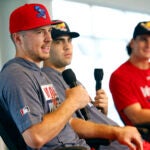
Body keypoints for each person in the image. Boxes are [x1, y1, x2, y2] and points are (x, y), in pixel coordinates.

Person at [0, 3, 143, 150]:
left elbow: (70, 122)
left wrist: (116, 132)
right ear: (18, 39)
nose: (48, 38)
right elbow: (35, 138)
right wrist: (72, 102)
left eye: (48, 31)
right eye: (39, 32)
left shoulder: (39, 75)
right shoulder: (17, 75)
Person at [42, 20, 143, 150]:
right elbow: (69, 124)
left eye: (69, 41)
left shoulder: (70, 79)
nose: (67, 46)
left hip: (124, 142)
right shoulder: (47, 80)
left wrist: (101, 112)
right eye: (58, 41)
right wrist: (115, 132)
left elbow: (87, 120)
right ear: (46, 46)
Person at [109, 21, 150, 149]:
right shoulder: (120, 75)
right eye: (144, 39)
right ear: (132, 43)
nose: (148, 44)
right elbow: (136, 116)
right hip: (141, 139)